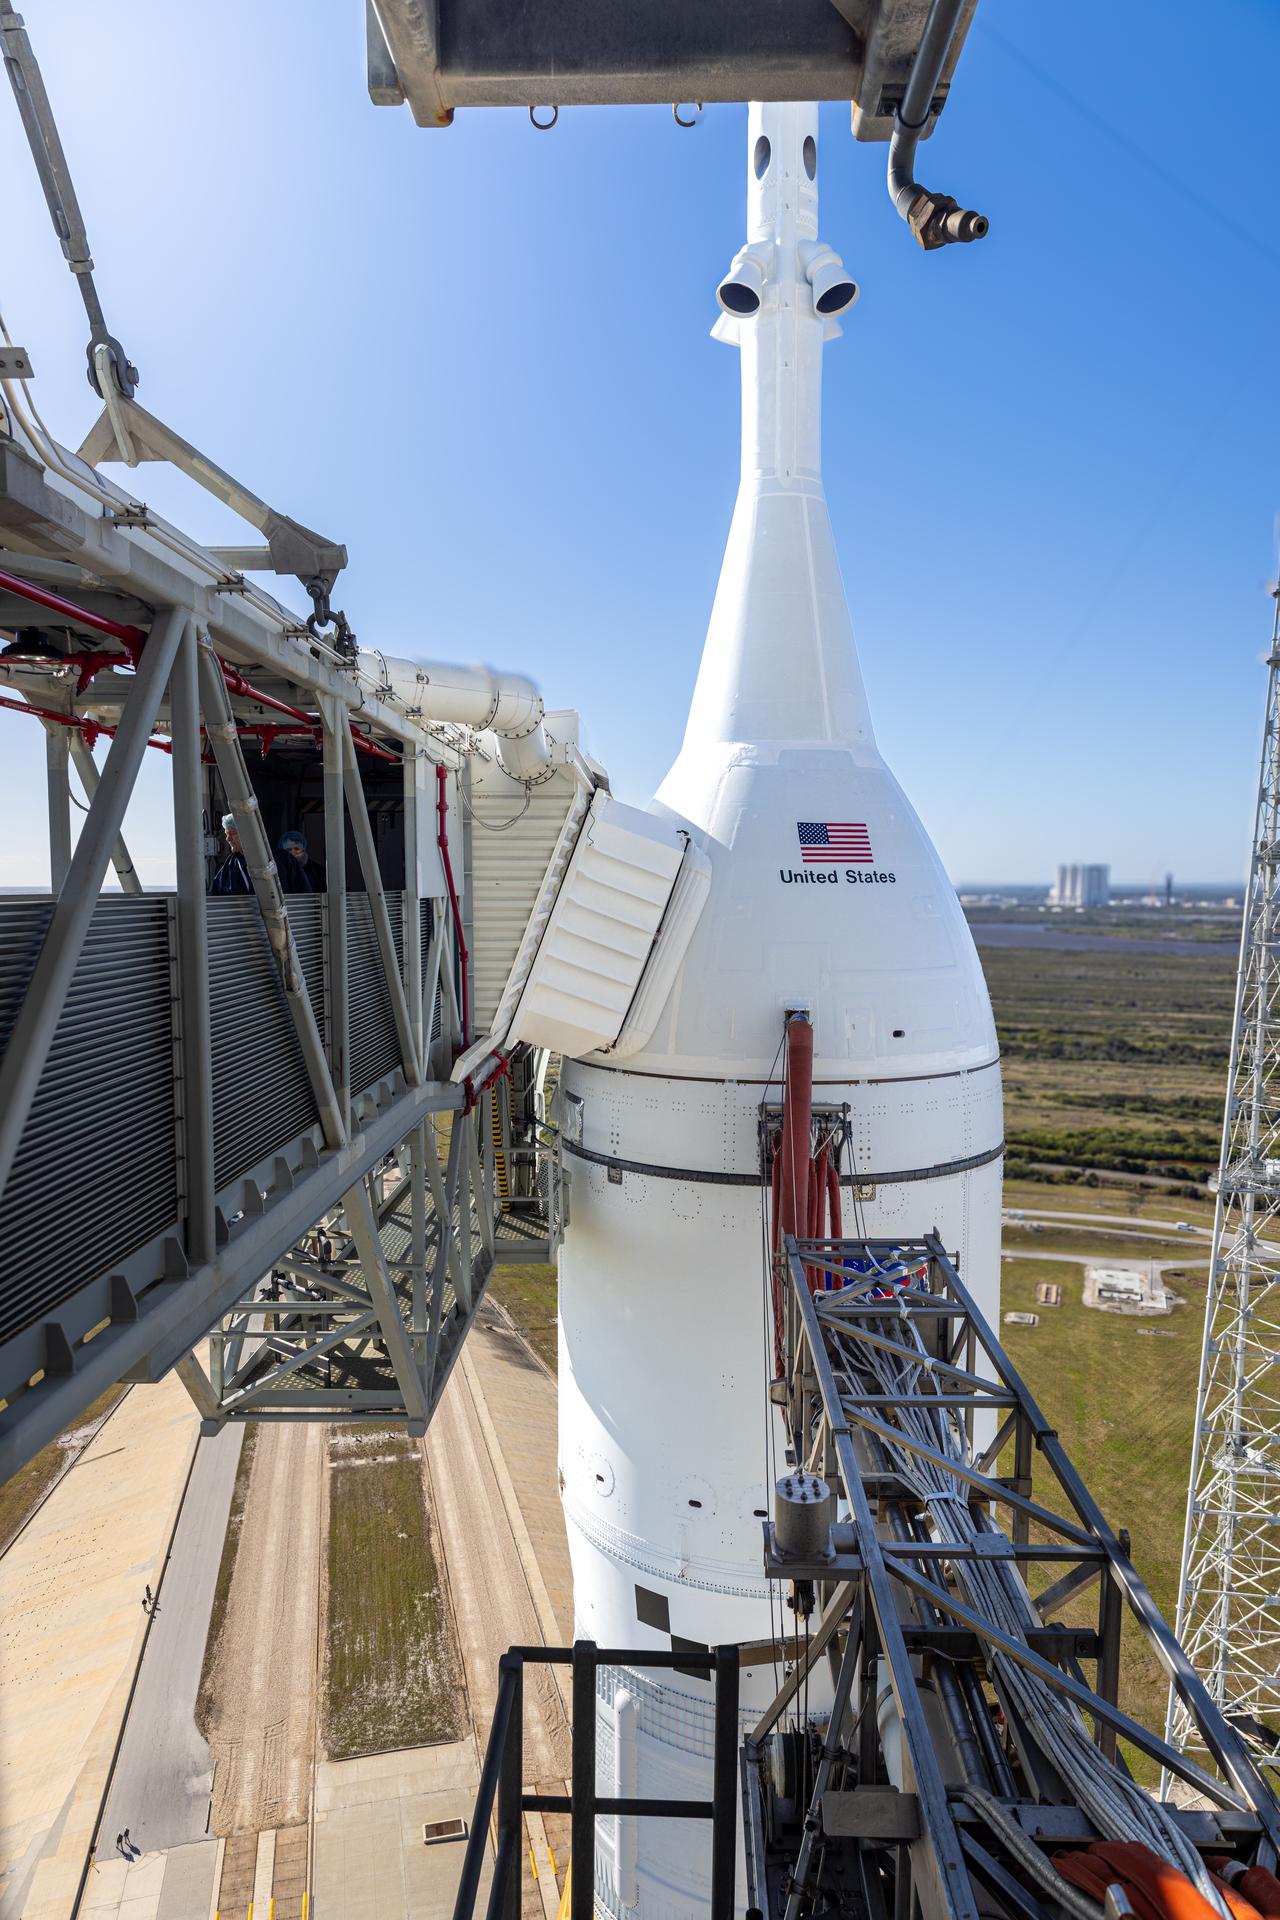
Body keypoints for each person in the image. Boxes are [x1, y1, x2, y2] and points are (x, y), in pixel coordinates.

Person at [209, 814, 252, 895]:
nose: (228, 838)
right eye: (226, 834)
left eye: (232, 833)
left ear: (246, 833)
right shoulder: (232, 862)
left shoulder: (268, 861)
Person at [276, 828, 325, 894]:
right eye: (288, 850)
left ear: (304, 849)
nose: (293, 853)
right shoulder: (277, 870)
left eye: (296, 849)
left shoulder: (317, 871)